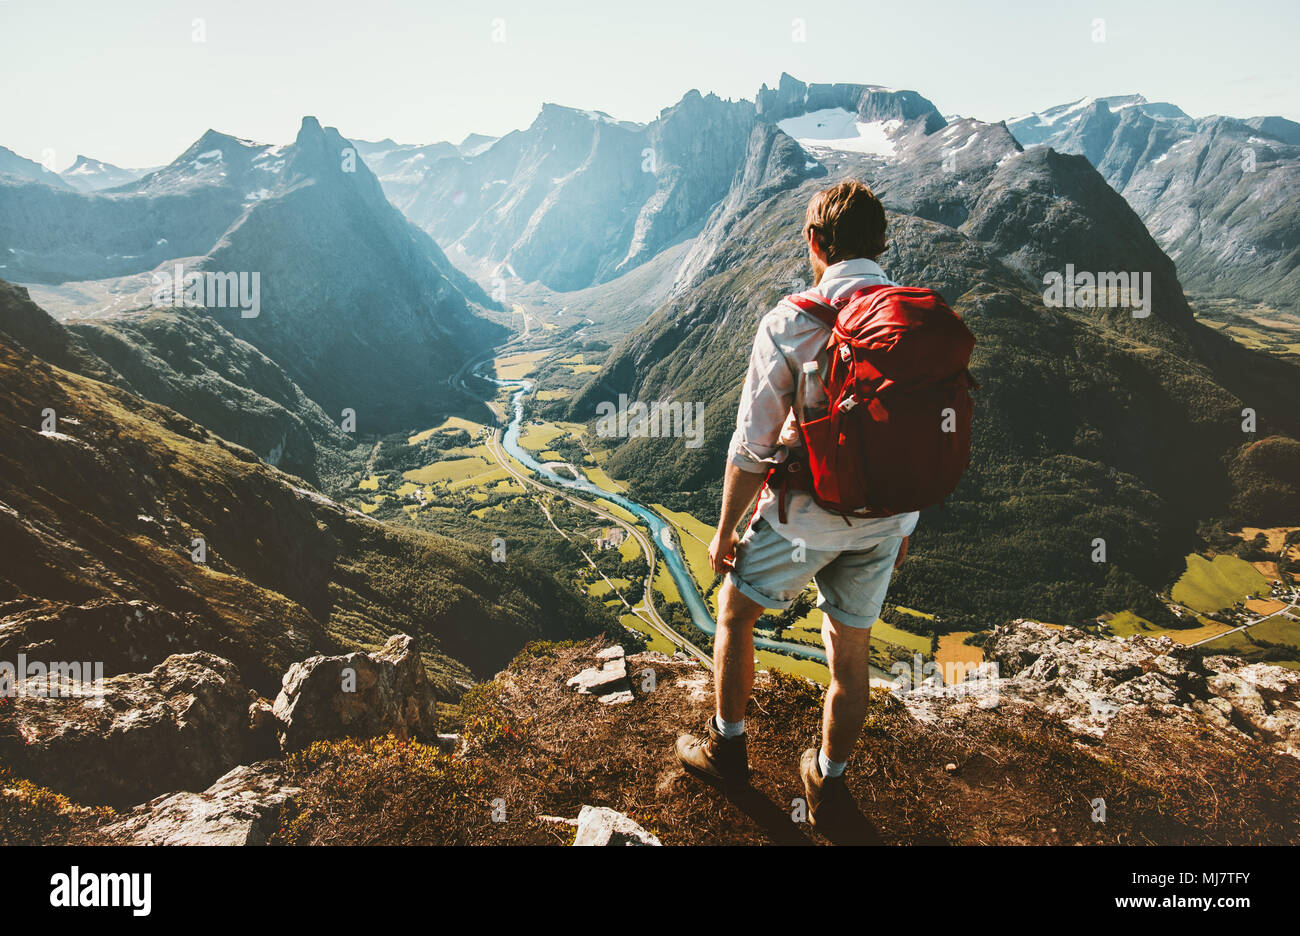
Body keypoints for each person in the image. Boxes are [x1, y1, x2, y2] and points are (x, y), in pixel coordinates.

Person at [675, 179, 917, 834]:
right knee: (851, 652)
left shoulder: (791, 321)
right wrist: (905, 523)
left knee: (734, 611)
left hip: (805, 514)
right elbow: (922, 434)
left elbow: (752, 449)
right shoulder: (914, 319)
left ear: (815, 242)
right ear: (882, 243)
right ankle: (828, 782)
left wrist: (724, 534)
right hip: (889, 516)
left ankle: (728, 751)